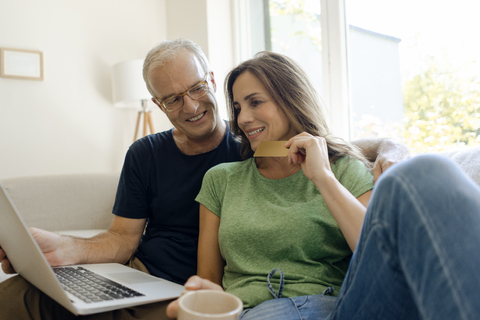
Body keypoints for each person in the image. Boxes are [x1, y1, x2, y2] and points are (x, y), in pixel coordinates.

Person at [0, 39, 408, 320]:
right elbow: (123, 238)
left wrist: (393, 148)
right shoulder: (149, 154)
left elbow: (323, 150)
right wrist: (64, 249)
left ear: (211, 81)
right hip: (145, 276)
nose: (191, 106)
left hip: (191, 293)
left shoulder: (251, 142)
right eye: (174, 99)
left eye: (196, 88)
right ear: (159, 104)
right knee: (16, 295)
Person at [166, 51, 480, 319]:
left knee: (430, 169)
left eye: (255, 102)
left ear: (290, 101)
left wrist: (323, 177)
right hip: (257, 311)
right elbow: (208, 283)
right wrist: (200, 300)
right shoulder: (221, 179)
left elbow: (378, 254)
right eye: (237, 108)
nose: (243, 118)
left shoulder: (344, 170)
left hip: (343, 307)